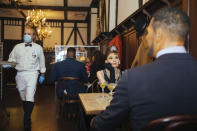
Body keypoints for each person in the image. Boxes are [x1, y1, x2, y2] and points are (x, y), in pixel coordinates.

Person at [90, 8, 197, 131]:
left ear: (159, 35)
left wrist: (94, 121)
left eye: (148, 32)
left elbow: (105, 123)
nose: (145, 38)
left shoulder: (133, 78)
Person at [7, 25, 46, 131]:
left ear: (34, 36)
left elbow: (42, 62)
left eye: (29, 34)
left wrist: (42, 74)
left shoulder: (38, 48)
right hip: (19, 74)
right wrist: (9, 63)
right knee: (23, 97)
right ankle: (27, 113)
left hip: (32, 74)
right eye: (25, 33)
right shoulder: (17, 47)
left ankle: (27, 119)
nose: (26, 35)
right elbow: (11, 59)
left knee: (30, 96)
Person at [50, 47, 88, 118]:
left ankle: (58, 113)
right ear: (75, 55)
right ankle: (80, 111)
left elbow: (52, 79)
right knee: (85, 87)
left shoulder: (57, 65)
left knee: (57, 87)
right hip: (77, 92)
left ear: (66, 55)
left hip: (63, 92)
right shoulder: (80, 65)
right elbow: (86, 79)